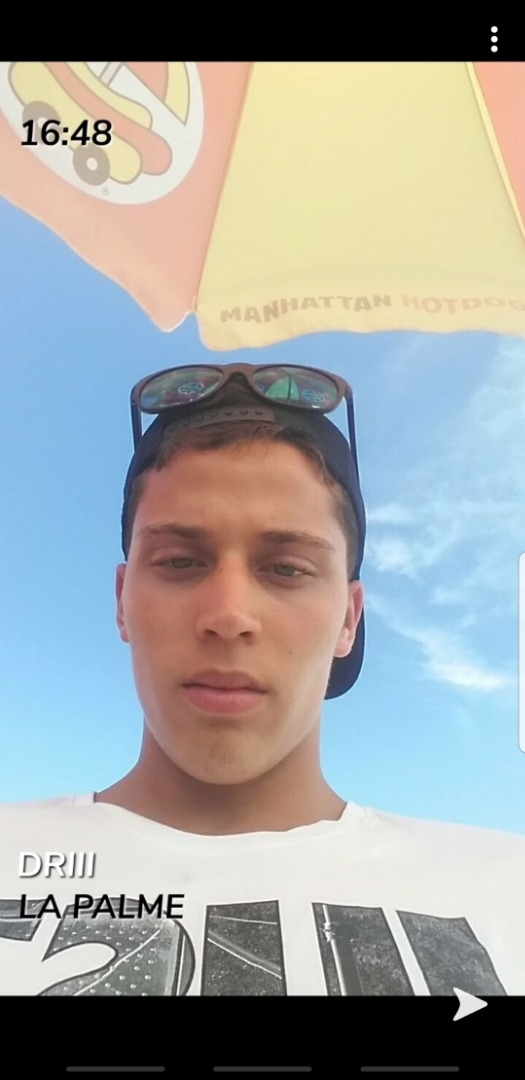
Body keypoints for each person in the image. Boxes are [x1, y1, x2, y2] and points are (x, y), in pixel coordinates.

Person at [0, 362, 524, 998]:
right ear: (121, 600)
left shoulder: (507, 890)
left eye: (286, 568)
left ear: (349, 619)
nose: (228, 616)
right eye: (180, 562)